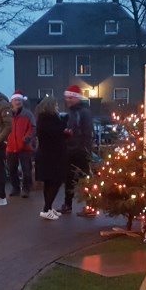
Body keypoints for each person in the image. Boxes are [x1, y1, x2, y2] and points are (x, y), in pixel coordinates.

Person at [58, 85, 93, 214]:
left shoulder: (83, 112)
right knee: (69, 178)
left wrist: (80, 144)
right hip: (71, 150)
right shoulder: (71, 112)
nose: (68, 100)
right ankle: (67, 204)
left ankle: (91, 206)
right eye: (67, 97)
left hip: (81, 151)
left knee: (85, 179)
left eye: (71, 97)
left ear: (77, 98)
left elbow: (87, 132)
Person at [34, 97, 67, 220]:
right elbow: (57, 133)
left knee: (49, 182)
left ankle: (48, 207)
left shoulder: (42, 119)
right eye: (56, 106)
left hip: (47, 155)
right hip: (52, 156)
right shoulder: (49, 120)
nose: (57, 108)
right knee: (55, 181)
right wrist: (64, 124)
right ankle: (46, 209)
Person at [6, 90, 36, 198]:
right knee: (12, 169)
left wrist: (27, 138)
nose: (17, 102)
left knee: (26, 169)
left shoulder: (28, 114)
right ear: (12, 102)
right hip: (11, 146)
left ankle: (26, 189)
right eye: (15, 100)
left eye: (19, 100)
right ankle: (15, 188)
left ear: (22, 101)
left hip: (24, 146)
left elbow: (32, 127)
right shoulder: (8, 114)